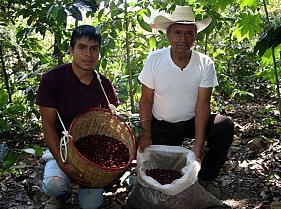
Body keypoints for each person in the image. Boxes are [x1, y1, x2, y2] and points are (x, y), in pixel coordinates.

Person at [138, 6, 234, 198]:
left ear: (195, 36)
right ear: (168, 35)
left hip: (191, 121)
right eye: (177, 33)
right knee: (162, 174)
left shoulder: (205, 63)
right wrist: (146, 133)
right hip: (162, 124)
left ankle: (206, 178)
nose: (183, 39)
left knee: (224, 126)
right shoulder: (155, 60)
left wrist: (198, 144)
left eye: (189, 33)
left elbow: (202, 105)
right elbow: (146, 100)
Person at [36, 25, 119, 209]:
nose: (88, 54)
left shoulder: (103, 85)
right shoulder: (53, 79)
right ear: (71, 49)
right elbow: (48, 127)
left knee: (91, 205)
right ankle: (60, 193)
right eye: (82, 48)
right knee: (54, 184)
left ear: (98, 52)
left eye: (94, 48)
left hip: (90, 156)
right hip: (62, 146)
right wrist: (63, 164)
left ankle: (83, 185)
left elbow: (109, 127)